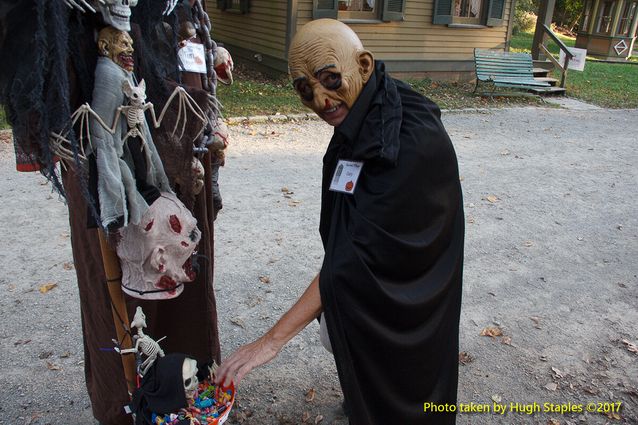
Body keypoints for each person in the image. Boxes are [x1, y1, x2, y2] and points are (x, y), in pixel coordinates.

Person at [215, 19, 465, 425]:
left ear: (363, 64)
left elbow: (357, 259)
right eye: (305, 89)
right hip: (371, 275)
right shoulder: (369, 105)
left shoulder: (409, 140)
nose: (321, 99)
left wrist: (271, 341)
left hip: (410, 291)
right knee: (352, 339)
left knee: (406, 386)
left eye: (331, 79)